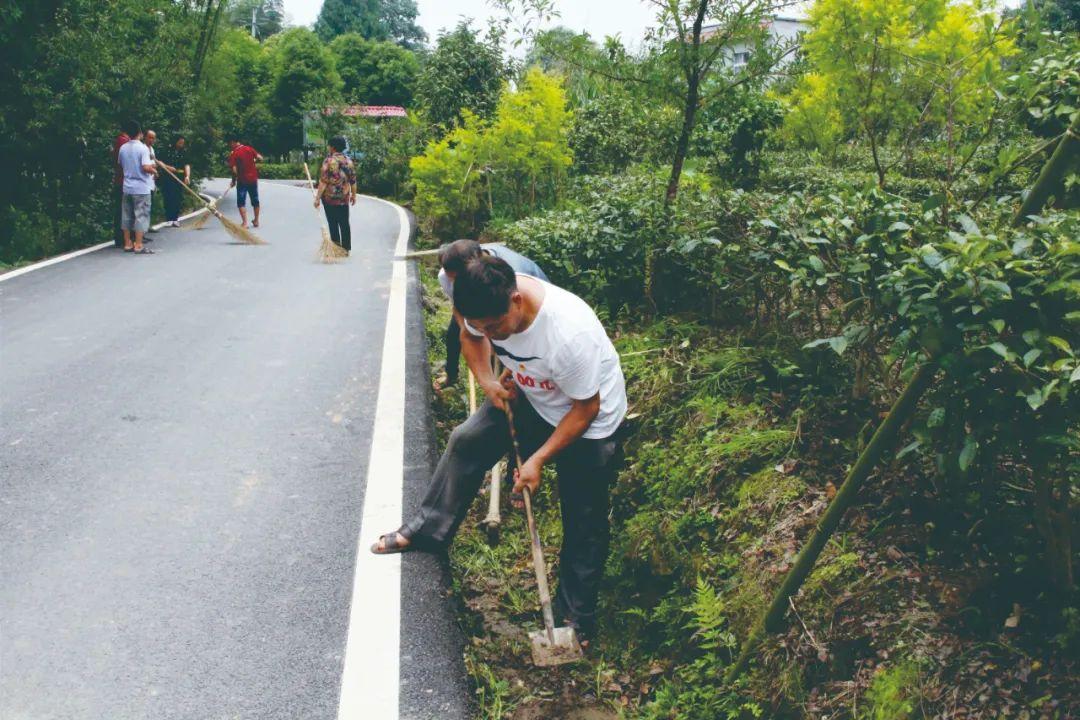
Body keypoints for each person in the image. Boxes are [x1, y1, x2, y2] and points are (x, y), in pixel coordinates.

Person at [372, 255, 627, 646]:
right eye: (483, 326)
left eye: (496, 327)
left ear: (516, 302)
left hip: (589, 422)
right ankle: (428, 529)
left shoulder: (568, 335)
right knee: (467, 440)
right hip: (532, 393)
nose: (490, 333)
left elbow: (585, 409)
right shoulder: (481, 305)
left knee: (583, 516)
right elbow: (470, 338)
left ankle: (577, 617)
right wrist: (488, 381)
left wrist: (539, 458)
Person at [434, 239, 549, 390]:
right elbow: (460, 310)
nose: (456, 283)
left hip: (520, 308)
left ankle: (523, 384)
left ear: (477, 265)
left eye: (460, 278)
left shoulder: (510, 273)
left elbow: (512, 312)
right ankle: (452, 375)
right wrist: (468, 329)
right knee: (454, 335)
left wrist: (493, 338)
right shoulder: (447, 275)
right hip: (481, 299)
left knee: (512, 345)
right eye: (453, 279)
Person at [117, 120, 156, 254]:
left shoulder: (123, 148)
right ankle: (138, 244)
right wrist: (154, 170)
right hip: (141, 187)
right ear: (140, 133)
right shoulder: (142, 148)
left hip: (127, 186)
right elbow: (145, 167)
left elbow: (121, 165)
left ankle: (127, 243)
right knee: (141, 215)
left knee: (127, 215)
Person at [313, 135, 357, 252]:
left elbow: (323, 182)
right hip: (344, 197)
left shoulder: (329, 161)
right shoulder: (349, 161)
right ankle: (346, 248)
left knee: (333, 223)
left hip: (329, 198)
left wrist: (317, 198)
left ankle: (336, 248)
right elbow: (353, 180)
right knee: (344, 223)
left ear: (332, 147)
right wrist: (354, 195)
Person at [227, 136, 263, 228]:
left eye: (230, 143)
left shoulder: (234, 153)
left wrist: (233, 181)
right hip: (253, 179)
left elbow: (234, 170)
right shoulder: (249, 149)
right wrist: (254, 162)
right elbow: (260, 158)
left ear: (233, 142)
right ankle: (256, 220)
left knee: (241, 201)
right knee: (255, 200)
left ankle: (245, 223)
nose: (230, 146)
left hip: (242, 180)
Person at [157, 135, 190, 227]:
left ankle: (175, 218)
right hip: (168, 176)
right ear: (175, 142)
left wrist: (187, 176)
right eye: (180, 143)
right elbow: (159, 161)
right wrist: (168, 168)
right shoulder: (167, 150)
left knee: (177, 197)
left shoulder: (183, 152)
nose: (181, 144)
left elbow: (186, 164)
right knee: (168, 196)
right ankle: (169, 218)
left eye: (182, 143)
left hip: (179, 177)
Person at [112, 126, 131, 247]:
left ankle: (123, 237)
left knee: (123, 210)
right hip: (123, 181)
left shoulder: (122, 141)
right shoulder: (123, 142)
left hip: (122, 180)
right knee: (123, 210)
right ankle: (121, 238)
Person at [143, 130, 159, 236]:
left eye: (153, 138)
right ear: (145, 137)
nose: (151, 140)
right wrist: (153, 166)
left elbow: (154, 162)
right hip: (144, 182)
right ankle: (142, 229)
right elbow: (146, 165)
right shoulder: (142, 149)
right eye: (150, 137)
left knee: (150, 205)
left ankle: (147, 225)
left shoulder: (152, 149)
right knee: (143, 206)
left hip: (151, 181)